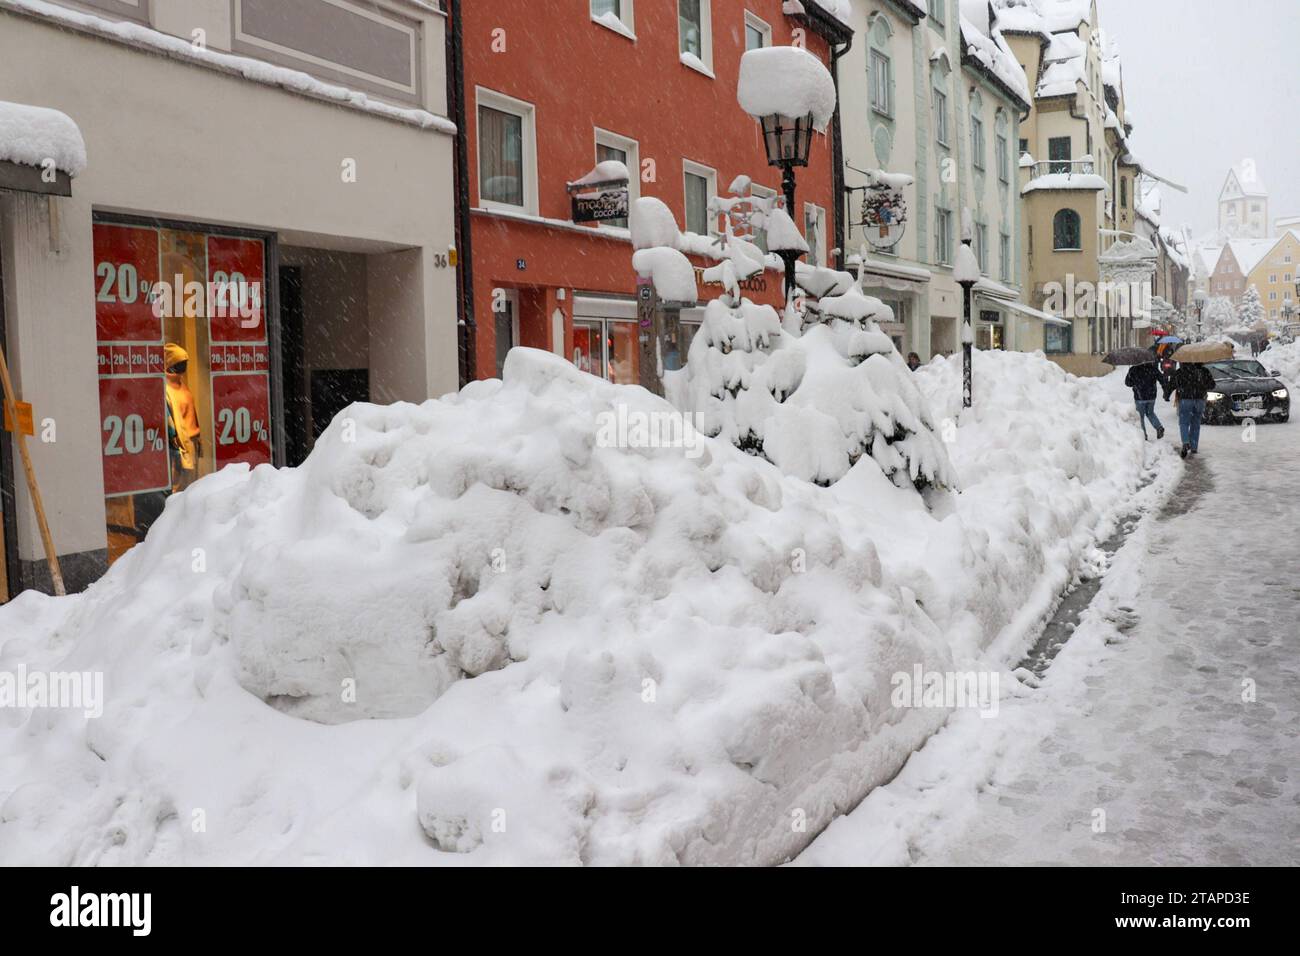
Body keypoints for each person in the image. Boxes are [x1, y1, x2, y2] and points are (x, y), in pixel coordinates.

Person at [164, 343, 202, 491]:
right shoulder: (166, 388)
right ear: (171, 364)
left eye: (185, 363)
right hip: (179, 446)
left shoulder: (182, 385)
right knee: (179, 487)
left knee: (191, 485)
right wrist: (174, 438)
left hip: (192, 440)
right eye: (180, 363)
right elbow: (169, 419)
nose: (184, 366)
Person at [1167, 361, 1216, 459]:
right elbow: (1212, 385)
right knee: (1196, 424)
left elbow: (1172, 384)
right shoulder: (1204, 371)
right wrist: (1201, 385)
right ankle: (1194, 447)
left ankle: (1185, 442)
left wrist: (1166, 395)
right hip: (1200, 400)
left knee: (1184, 423)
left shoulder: (1180, 372)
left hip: (1185, 399)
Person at [1124, 361, 1166, 440]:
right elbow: (1162, 379)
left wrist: (1131, 376)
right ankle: (1159, 427)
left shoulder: (1134, 369)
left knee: (1140, 417)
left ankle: (1143, 435)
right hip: (1151, 396)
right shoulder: (1153, 369)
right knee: (1150, 413)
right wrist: (1165, 389)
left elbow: (1127, 383)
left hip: (1140, 397)